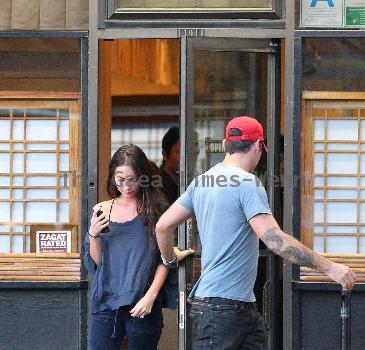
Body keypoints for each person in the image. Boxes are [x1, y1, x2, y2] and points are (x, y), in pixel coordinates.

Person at [155, 116, 356, 350]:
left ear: (225, 144)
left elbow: (162, 226)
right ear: (258, 145)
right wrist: (330, 267)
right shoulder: (248, 183)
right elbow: (275, 241)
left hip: (231, 305)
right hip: (224, 308)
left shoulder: (202, 182)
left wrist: (169, 258)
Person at [83, 144, 193, 350]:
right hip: (106, 303)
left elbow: (164, 258)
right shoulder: (101, 209)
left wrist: (151, 297)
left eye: (132, 179)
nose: (126, 186)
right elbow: (97, 264)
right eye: (120, 179)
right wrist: (93, 235)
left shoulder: (156, 210)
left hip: (143, 303)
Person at [160, 126, 180, 205]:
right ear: (165, 154)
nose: (188, 158)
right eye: (179, 152)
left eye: (195, 153)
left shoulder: (192, 182)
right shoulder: (156, 185)